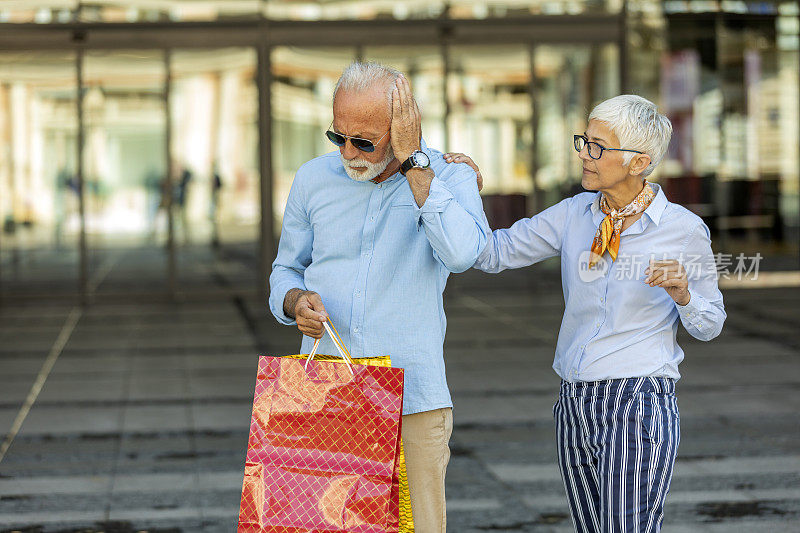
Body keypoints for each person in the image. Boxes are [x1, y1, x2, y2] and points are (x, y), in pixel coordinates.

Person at [447, 95, 726, 533]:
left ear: (638, 162)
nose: (583, 154)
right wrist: (458, 186)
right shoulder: (573, 213)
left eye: (597, 146)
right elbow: (491, 252)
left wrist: (684, 293)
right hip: (574, 401)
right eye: (584, 140)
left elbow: (711, 324)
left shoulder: (683, 229)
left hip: (639, 400)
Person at [268, 61, 489, 533]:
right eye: (338, 136)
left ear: (403, 128)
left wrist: (417, 168)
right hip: (325, 389)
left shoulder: (449, 179)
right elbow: (285, 269)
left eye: (364, 141)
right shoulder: (313, 179)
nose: (348, 152)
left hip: (413, 393)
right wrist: (293, 301)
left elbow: (464, 254)